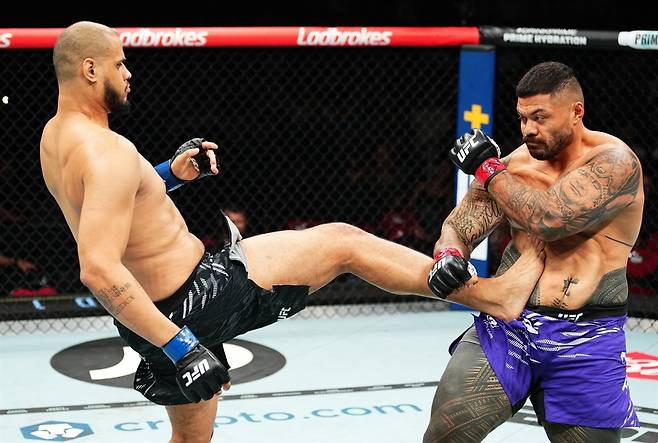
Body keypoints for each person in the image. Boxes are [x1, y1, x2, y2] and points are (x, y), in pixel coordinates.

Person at [40, 22, 546, 443]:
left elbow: (111, 204)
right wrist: (183, 347)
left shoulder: (56, 137)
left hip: (146, 317)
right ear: (91, 70)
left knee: (191, 439)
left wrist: (168, 175)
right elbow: (98, 269)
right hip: (193, 302)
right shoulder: (107, 153)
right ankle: (491, 296)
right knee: (343, 242)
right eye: (120, 64)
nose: (129, 73)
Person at [423, 61, 642, 443]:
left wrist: (487, 170)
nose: (528, 129)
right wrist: (450, 254)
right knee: (444, 435)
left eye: (540, 117)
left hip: (587, 335)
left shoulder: (614, 163)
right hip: (510, 325)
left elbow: (551, 220)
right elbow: (460, 225)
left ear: (576, 112)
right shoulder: (513, 166)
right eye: (523, 118)